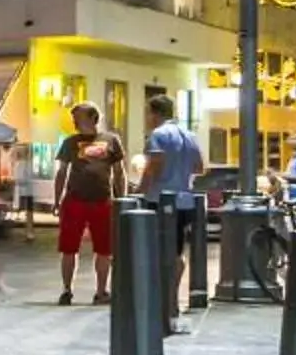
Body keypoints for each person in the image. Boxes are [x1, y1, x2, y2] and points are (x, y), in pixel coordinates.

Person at [137, 94, 207, 323]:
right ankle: (172, 295)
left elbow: (154, 166)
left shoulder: (158, 135)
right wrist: (181, 173)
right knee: (177, 250)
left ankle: (165, 298)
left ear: (154, 113)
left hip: (160, 199)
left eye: (148, 113)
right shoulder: (189, 135)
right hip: (185, 200)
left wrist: (141, 189)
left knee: (158, 250)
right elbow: (199, 167)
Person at [51, 101, 126, 306]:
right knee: (68, 248)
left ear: (93, 118)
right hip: (75, 200)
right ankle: (66, 290)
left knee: (104, 249)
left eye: (79, 117)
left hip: (102, 201)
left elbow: (119, 173)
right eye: (74, 118)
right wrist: (56, 200)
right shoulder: (70, 142)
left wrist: (121, 200)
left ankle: (101, 291)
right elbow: (61, 172)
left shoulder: (111, 140)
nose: (75, 122)